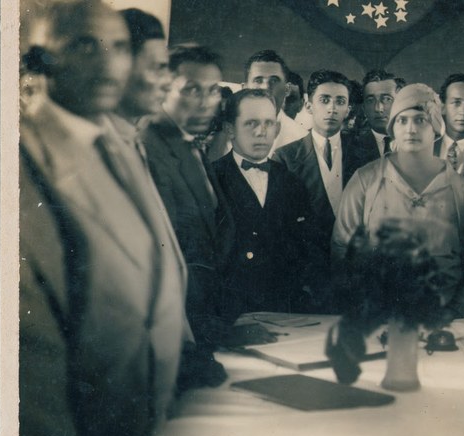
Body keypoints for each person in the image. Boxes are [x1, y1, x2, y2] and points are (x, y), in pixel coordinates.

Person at [19, 3, 186, 436]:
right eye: (84, 46)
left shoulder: (116, 144)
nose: (110, 63)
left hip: (136, 435)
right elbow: (31, 355)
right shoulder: (23, 157)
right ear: (40, 59)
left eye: (119, 47)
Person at [332, 83, 464, 321]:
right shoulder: (366, 181)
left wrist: (456, 310)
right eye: (402, 120)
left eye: (420, 120)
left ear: (436, 128)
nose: (410, 129)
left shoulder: (460, 190)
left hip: (441, 320)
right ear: (392, 128)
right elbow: (342, 250)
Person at [140, 45, 233, 383]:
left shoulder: (187, 143)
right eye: (191, 89)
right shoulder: (147, 147)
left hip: (203, 330)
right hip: (172, 343)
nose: (206, 102)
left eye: (213, 91)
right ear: (163, 88)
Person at [212, 89, 326, 316]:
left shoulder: (292, 182)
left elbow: (309, 249)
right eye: (251, 123)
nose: (261, 132)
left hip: (286, 310)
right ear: (229, 129)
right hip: (231, 311)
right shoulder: (212, 179)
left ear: (278, 129)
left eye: (268, 123)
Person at [272, 69, 363, 277]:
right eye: (324, 100)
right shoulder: (285, 157)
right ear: (309, 105)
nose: (332, 108)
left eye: (340, 101)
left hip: (354, 267)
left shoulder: (363, 155)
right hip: (305, 268)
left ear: (348, 109)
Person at [244, 49, 308, 152]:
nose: (266, 87)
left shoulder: (303, 140)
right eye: (258, 80)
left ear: (286, 89)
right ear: (244, 88)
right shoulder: (226, 134)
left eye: (274, 80)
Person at [351, 69, 406, 166]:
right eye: (370, 100)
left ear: (402, 103)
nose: (378, 108)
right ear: (364, 108)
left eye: (387, 99)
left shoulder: (419, 140)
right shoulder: (350, 146)